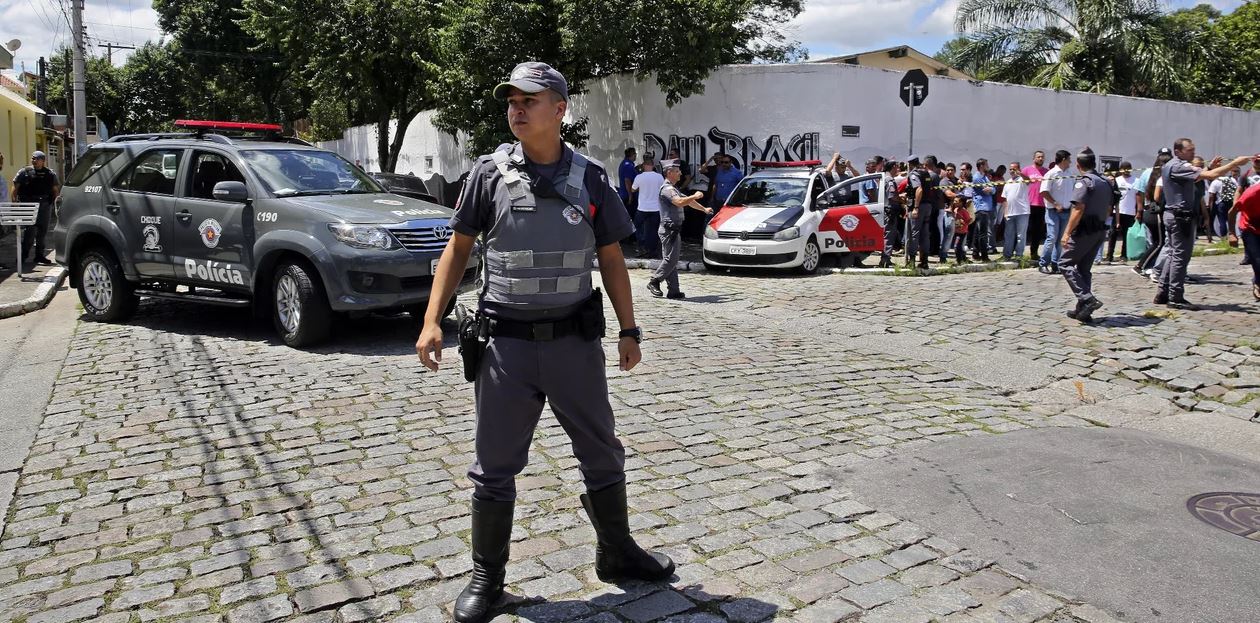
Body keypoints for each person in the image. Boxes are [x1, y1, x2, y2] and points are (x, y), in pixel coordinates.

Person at [414, 61, 673, 623]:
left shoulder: (593, 177)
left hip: (573, 346)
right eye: (511, 99)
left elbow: (611, 259)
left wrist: (629, 330)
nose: (516, 108)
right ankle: (489, 578)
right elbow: (457, 250)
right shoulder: (487, 175)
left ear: (560, 109)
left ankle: (618, 550)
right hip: (505, 348)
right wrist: (432, 319)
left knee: (602, 451)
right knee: (494, 465)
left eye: (529, 100)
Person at [1154, 139, 1253, 309]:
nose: (1193, 153)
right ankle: (1175, 297)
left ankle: (1163, 292)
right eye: (1189, 150)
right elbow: (1210, 177)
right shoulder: (1179, 166)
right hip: (1180, 217)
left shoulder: (1173, 166)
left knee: (1172, 254)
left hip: (1174, 215)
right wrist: (1235, 163)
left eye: (1193, 150)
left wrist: (1208, 169)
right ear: (1177, 151)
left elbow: (1195, 178)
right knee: (1180, 257)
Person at [1058, 148, 1111, 323]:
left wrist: (1066, 233)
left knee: (1064, 263)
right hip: (1099, 230)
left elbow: (1078, 208)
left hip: (1084, 230)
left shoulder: (1085, 182)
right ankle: (1083, 309)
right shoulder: (1104, 181)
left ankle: (1087, 299)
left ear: (1078, 165)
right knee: (1083, 269)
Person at [648, 160, 712, 298]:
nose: (680, 173)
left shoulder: (673, 188)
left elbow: (689, 202)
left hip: (672, 229)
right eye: (677, 171)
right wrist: (695, 195)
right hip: (669, 229)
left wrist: (704, 209)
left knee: (670, 259)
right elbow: (679, 202)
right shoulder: (667, 189)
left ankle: (673, 291)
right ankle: (655, 280)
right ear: (669, 173)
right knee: (672, 259)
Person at [12, 151, 61, 266]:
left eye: (36, 159)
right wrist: (14, 202)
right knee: (29, 231)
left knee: (42, 232)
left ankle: (39, 256)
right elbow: (15, 187)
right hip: (28, 205)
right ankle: (23, 256)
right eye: (32, 158)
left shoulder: (50, 174)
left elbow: (55, 190)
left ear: (43, 160)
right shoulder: (24, 172)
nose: (33, 160)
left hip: (44, 205)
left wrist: (56, 204)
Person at [1038, 150, 1073, 273]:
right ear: (1063, 159)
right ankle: (1043, 263)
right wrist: (1055, 203)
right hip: (1053, 211)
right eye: (1069, 159)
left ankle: (1056, 264)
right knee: (1052, 237)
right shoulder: (1051, 174)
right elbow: (1043, 191)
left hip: (1067, 210)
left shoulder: (1069, 174)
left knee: (1061, 239)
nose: (1070, 162)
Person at [1227, 179, 1260, 300]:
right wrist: (1231, 233)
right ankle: (1258, 283)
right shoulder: (1253, 193)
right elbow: (1232, 212)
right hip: (1249, 228)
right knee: (1257, 259)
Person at [1105, 162, 1139, 263]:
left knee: (1126, 235)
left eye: (1128, 168)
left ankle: (1123, 255)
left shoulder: (1136, 181)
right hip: (1117, 211)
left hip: (1130, 211)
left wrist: (1138, 212)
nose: (1126, 171)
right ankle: (1109, 255)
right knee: (1113, 233)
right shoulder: (1117, 180)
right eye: (1123, 169)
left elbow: (1138, 197)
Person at [905, 155, 935, 270]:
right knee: (925, 235)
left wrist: (916, 207)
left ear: (910, 164)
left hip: (919, 207)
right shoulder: (925, 172)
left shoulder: (914, 174)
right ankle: (924, 261)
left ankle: (912, 261)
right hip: (928, 206)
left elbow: (919, 189)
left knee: (914, 234)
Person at [631, 156, 664, 258]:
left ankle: (642, 247)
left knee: (638, 227)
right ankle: (653, 250)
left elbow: (633, 189)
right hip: (656, 208)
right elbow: (663, 189)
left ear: (644, 166)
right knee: (654, 230)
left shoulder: (639, 177)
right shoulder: (659, 177)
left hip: (642, 208)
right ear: (653, 166)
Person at [1002, 161, 1031, 261]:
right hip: (1010, 213)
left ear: (1018, 169)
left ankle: (1019, 255)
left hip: (1022, 212)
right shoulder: (1008, 182)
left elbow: (1029, 180)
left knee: (1020, 235)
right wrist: (1005, 212)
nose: (1012, 171)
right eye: (1010, 169)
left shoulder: (1022, 180)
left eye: (1014, 169)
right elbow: (1005, 199)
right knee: (1008, 235)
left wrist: (1020, 173)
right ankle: (1007, 255)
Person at [1023, 151, 1049, 263]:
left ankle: (1034, 252)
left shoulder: (1047, 172)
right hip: (1028, 204)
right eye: (1038, 157)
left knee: (1037, 231)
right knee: (1023, 229)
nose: (1040, 158)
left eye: (1042, 157)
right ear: (1034, 158)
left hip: (1041, 204)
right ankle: (1017, 252)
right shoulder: (1027, 170)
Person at [878, 161, 904, 268]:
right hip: (890, 211)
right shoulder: (889, 180)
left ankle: (886, 259)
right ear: (893, 167)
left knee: (889, 235)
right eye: (897, 167)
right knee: (889, 235)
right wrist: (902, 199)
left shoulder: (885, 178)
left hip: (888, 210)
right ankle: (885, 260)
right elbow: (892, 196)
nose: (898, 169)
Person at [970, 159, 996, 261]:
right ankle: (984, 256)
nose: (988, 166)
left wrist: (991, 189)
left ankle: (975, 253)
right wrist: (990, 189)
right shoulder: (977, 178)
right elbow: (985, 191)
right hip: (981, 207)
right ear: (981, 166)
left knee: (978, 232)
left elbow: (992, 189)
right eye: (986, 164)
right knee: (983, 233)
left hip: (986, 207)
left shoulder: (985, 177)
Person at [1206, 165, 1239, 241]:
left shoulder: (1216, 181)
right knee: (1231, 220)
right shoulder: (1232, 180)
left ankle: (1223, 238)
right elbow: (1237, 190)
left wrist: (1210, 206)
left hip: (1221, 203)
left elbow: (1211, 196)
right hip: (1231, 202)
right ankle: (1233, 236)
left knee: (1222, 221)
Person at [950, 196, 973, 264]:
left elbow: (969, 220)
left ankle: (959, 261)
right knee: (957, 246)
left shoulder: (964, 211)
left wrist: (963, 223)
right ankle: (962, 258)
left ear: (961, 203)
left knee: (957, 246)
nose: (954, 202)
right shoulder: (956, 209)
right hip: (956, 231)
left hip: (962, 232)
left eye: (956, 201)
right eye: (954, 201)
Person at [618, 147, 637, 218]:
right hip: (627, 196)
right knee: (630, 217)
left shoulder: (624, 163)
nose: (636, 155)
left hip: (624, 194)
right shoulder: (628, 166)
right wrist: (630, 196)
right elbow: (627, 181)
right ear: (632, 154)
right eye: (635, 153)